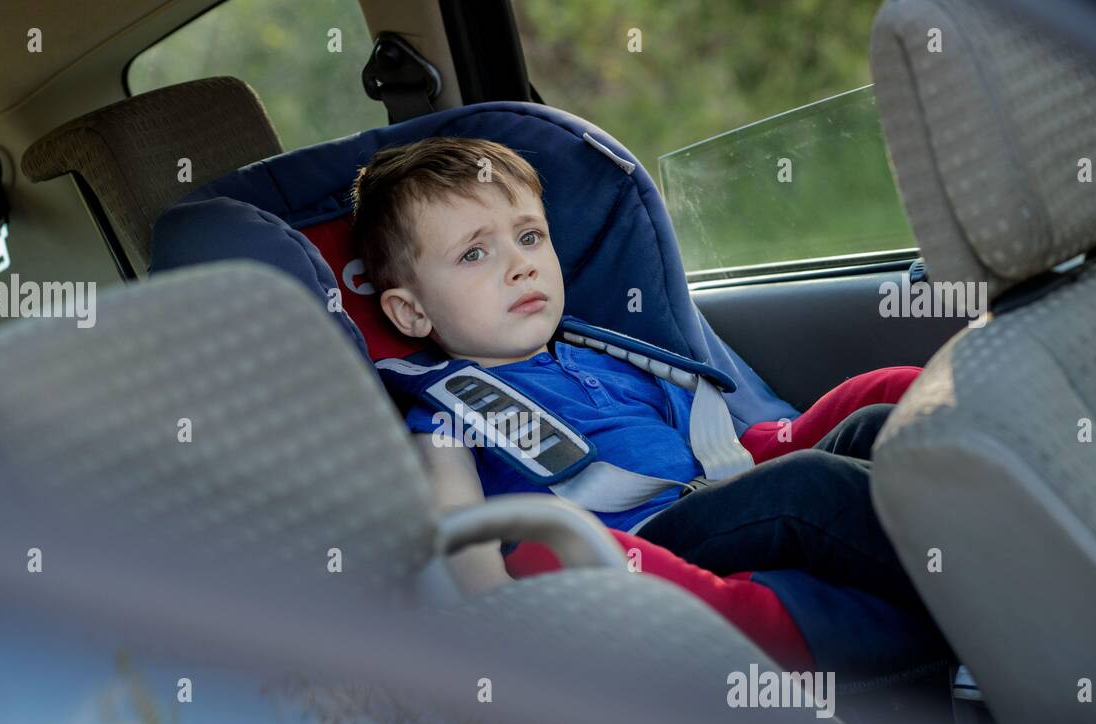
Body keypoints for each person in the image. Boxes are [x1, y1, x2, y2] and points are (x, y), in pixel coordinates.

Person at [351, 136, 920, 608]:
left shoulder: (603, 356)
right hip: (640, 554)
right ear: (412, 311)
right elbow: (458, 525)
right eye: (475, 254)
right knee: (807, 487)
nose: (521, 266)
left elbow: (723, 445)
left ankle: (982, 527)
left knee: (877, 420)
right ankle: (974, 583)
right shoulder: (448, 410)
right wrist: (495, 608)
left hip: (718, 502)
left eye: (530, 238)